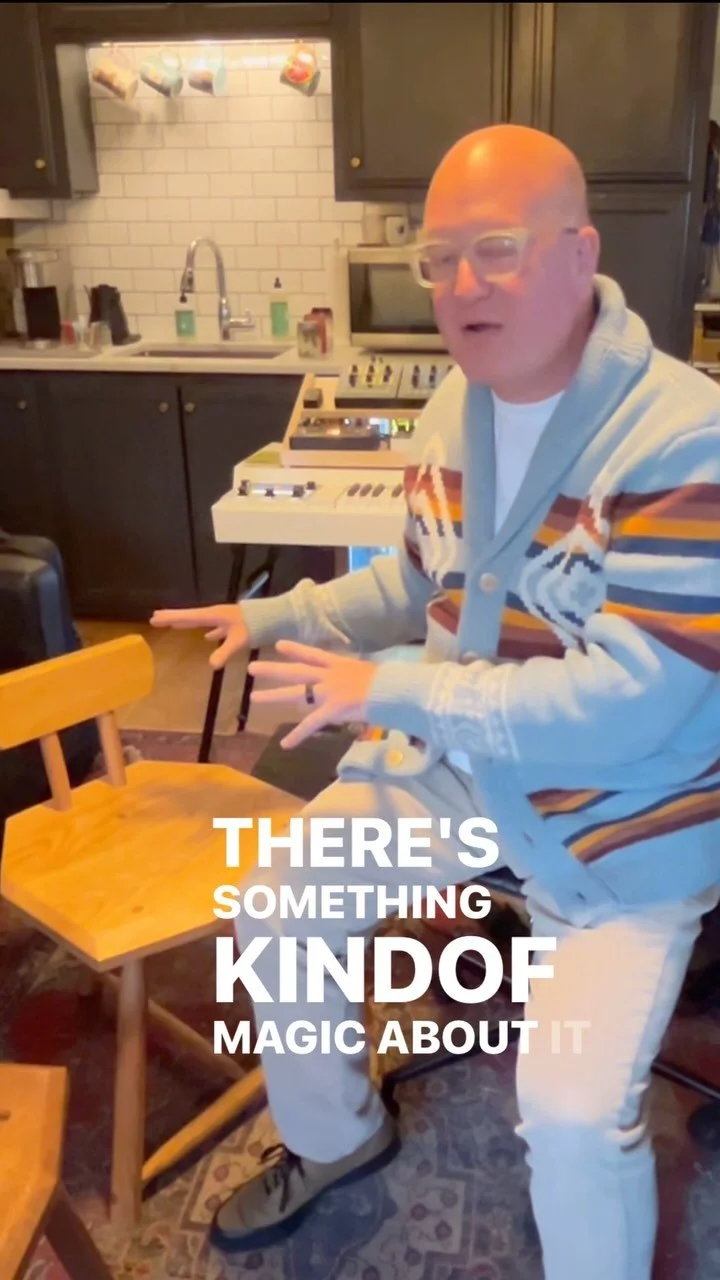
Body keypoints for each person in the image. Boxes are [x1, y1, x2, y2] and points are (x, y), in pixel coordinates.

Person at [150, 124, 720, 1279]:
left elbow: (631, 703)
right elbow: (419, 580)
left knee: (571, 1112)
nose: (461, 287)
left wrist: (391, 685)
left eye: (496, 250)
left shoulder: (685, 438)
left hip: (620, 813)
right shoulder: (454, 407)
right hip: (466, 771)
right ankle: (334, 1138)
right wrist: (278, 615)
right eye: (439, 260)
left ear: (580, 254)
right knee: (281, 901)